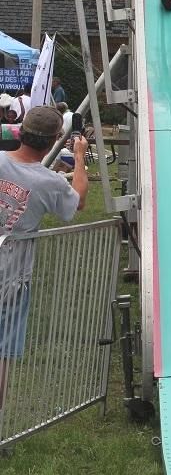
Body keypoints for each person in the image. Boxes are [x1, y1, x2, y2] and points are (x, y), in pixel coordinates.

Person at [0, 107, 88, 398]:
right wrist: (79, 157)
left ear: (21, 132)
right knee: (2, 353)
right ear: (53, 142)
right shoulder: (49, 182)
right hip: (12, 279)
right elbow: (78, 201)